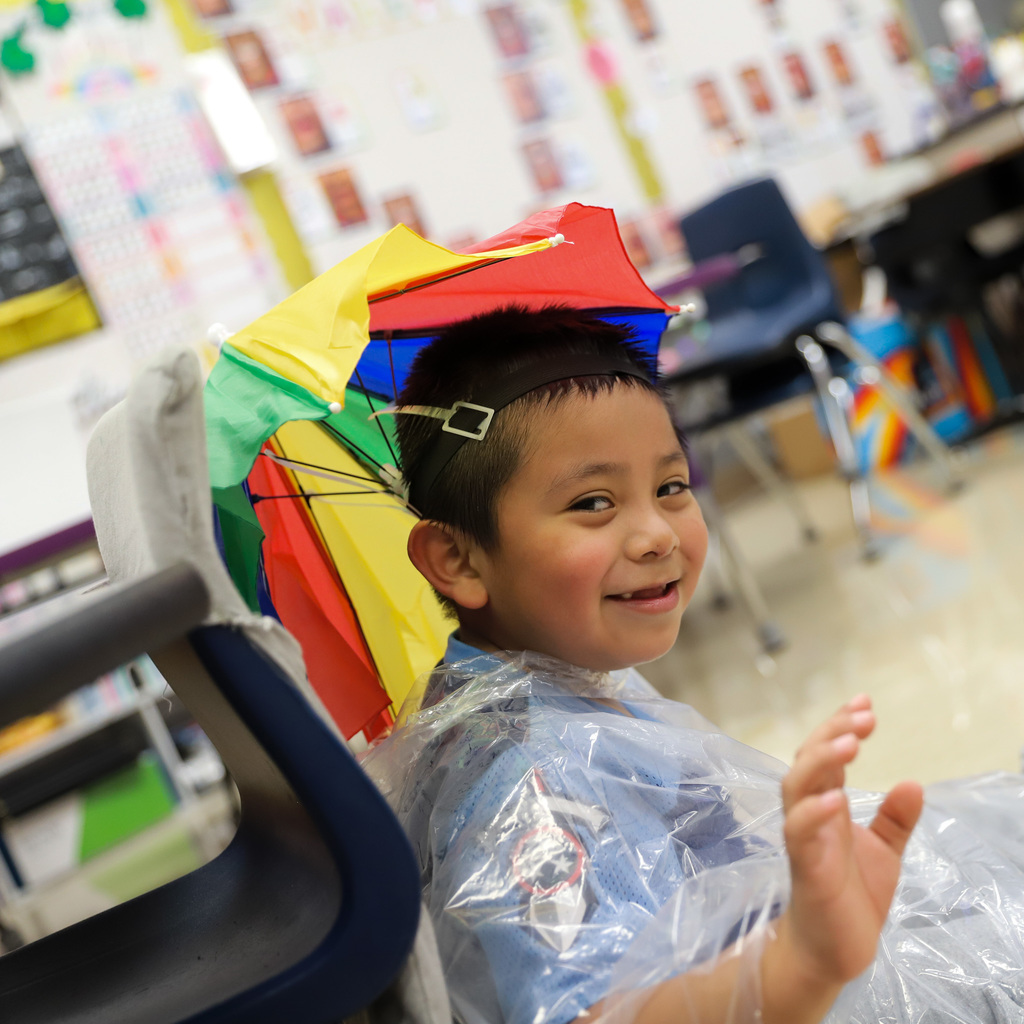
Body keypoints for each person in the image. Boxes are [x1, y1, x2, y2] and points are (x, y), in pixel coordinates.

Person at [362, 305, 1024, 1024]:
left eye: (671, 487)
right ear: (457, 558)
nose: (655, 533)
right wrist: (798, 963)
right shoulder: (525, 790)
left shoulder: (567, 684)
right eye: (593, 502)